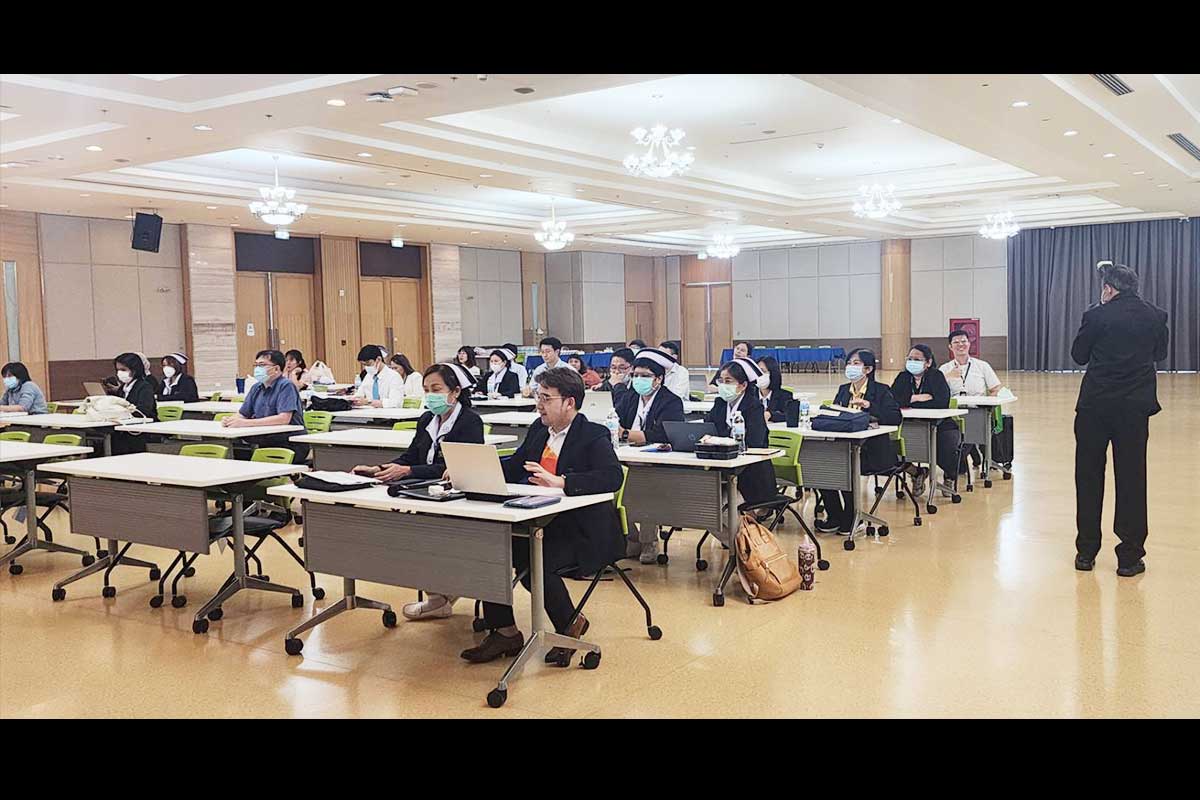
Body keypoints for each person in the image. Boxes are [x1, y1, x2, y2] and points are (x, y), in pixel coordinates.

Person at [461, 367, 624, 665]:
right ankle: (505, 632)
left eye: (546, 398)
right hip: (537, 519)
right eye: (538, 396)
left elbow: (612, 477)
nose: (539, 404)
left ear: (569, 402)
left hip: (580, 529)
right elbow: (516, 465)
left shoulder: (593, 434)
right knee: (490, 551)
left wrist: (562, 482)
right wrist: (475, 468)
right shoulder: (539, 430)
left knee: (537, 561)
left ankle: (568, 625)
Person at [352, 363, 484, 619]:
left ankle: (443, 595)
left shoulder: (470, 421)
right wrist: (380, 468)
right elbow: (411, 456)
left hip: (456, 498)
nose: (430, 395)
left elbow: (455, 467)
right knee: (416, 542)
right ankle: (438, 598)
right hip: (423, 492)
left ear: (455, 391)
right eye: (426, 390)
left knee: (431, 542)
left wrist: (409, 471)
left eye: (436, 389)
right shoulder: (426, 419)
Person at [1071, 262, 1169, 577]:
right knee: (1132, 479)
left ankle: (1086, 552)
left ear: (1108, 288)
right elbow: (1160, 354)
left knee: (1088, 476)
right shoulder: (1156, 315)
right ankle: (1129, 557)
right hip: (1134, 410)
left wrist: (1096, 315)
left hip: (1095, 408)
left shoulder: (1096, 315)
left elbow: (1079, 355)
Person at [815, 349, 901, 535]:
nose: (851, 367)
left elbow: (895, 417)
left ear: (868, 369)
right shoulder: (843, 390)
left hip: (873, 451)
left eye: (856, 363)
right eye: (849, 363)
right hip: (843, 447)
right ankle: (835, 515)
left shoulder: (881, 390)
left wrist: (870, 406)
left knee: (845, 466)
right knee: (820, 466)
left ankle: (852, 517)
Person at [615, 347, 686, 563]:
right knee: (611, 486)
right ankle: (631, 538)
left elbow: (664, 433)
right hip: (627, 455)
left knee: (646, 489)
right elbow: (615, 421)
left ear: (658, 379)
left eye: (645, 376)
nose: (639, 380)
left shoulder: (671, 401)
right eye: (635, 375)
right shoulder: (630, 398)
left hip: (657, 461)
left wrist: (627, 434)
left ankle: (649, 541)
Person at [707, 359, 777, 507]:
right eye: (721, 381)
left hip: (752, 475)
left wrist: (723, 440)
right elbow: (708, 428)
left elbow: (755, 441)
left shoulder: (754, 407)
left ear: (743, 385)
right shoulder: (719, 404)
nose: (723, 385)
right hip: (722, 469)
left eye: (728, 381)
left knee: (724, 506)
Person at [891, 344, 959, 495]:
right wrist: (915, 398)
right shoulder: (903, 377)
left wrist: (907, 401)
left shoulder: (936, 376)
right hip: (908, 424)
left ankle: (949, 476)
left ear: (928, 362)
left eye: (917, 359)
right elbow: (892, 400)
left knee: (947, 444)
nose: (912, 362)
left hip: (940, 424)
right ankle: (916, 472)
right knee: (891, 447)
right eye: (910, 359)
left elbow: (941, 402)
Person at [223, 349, 308, 462]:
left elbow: (284, 419)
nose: (257, 369)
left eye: (262, 365)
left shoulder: (286, 386)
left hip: (289, 443)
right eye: (256, 365)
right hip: (265, 441)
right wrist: (231, 420)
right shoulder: (256, 387)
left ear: (276, 369)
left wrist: (245, 423)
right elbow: (243, 414)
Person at [940, 329, 1004, 476]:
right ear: (950, 346)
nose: (960, 345)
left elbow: (995, 388)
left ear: (969, 344)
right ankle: (959, 461)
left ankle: (957, 464)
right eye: (956, 342)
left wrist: (989, 404)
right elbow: (937, 390)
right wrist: (947, 376)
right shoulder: (945, 369)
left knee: (971, 430)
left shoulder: (982, 366)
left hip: (978, 411)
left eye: (964, 341)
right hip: (954, 413)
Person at [109, 352, 158, 454]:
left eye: (123, 370)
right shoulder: (123, 388)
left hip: (140, 430)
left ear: (135, 370)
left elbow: (144, 410)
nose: (119, 373)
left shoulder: (144, 387)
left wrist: (124, 410)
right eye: (118, 370)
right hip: (123, 427)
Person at [756, 355, 792, 423]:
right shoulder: (750, 395)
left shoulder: (785, 396)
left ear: (772, 373)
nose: (759, 375)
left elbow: (789, 415)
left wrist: (770, 415)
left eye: (763, 371)